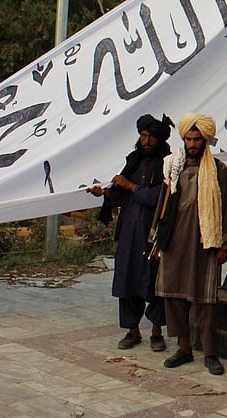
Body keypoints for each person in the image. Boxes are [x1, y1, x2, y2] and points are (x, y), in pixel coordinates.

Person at [86, 114, 173, 350]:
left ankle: (156, 332)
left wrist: (130, 186)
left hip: (152, 235)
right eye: (142, 136)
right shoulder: (133, 161)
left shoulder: (167, 164)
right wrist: (104, 193)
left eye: (150, 137)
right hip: (128, 235)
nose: (145, 141)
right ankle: (132, 331)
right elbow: (120, 195)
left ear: (158, 139)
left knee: (155, 283)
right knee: (127, 280)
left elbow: (160, 197)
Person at [156, 114, 227, 376]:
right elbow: (162, 206)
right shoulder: (172, 166)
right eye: (188, 139)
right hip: (175, 242)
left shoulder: (218, 169)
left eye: (196, 139)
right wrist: (157, 240)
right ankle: (184, 348)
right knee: (174, 298)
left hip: (205, 243)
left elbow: (225, 209)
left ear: (205, 140)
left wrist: (223, 244)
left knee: (206, 301)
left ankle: (210, 354)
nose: (192, 144)